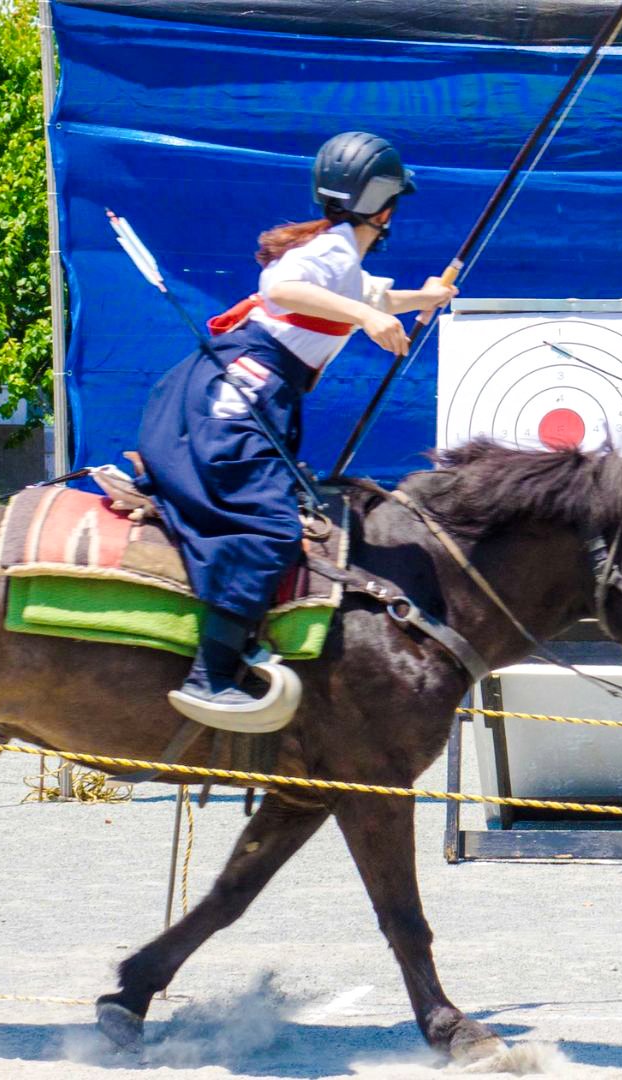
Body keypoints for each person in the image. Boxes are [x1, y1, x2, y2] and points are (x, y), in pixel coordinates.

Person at [136, 131, 457, 726]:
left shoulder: (338, 254)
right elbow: (280, 288)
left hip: (239, 393)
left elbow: (374, 296)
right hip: (242, 399)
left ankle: (245, 631)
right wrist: (365, 316)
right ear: (385, 210)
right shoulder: (332, 253)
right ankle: (210, 675)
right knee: (270, 527)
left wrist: (424, 299)